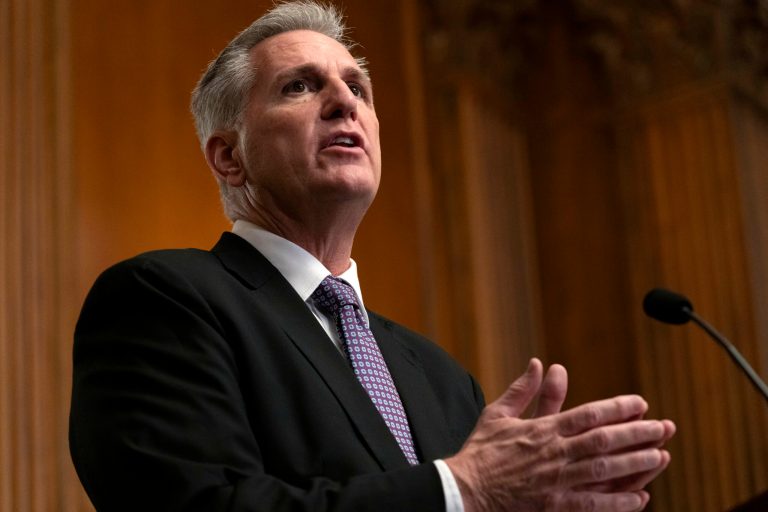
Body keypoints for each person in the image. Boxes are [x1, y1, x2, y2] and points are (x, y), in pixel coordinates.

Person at [69, 2, 676, 511]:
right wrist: (462, 487)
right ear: (229, 157)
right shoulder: (164, 300)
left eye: (357, 86)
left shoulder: (441, 378)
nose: (344, 101)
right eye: (300, 86)